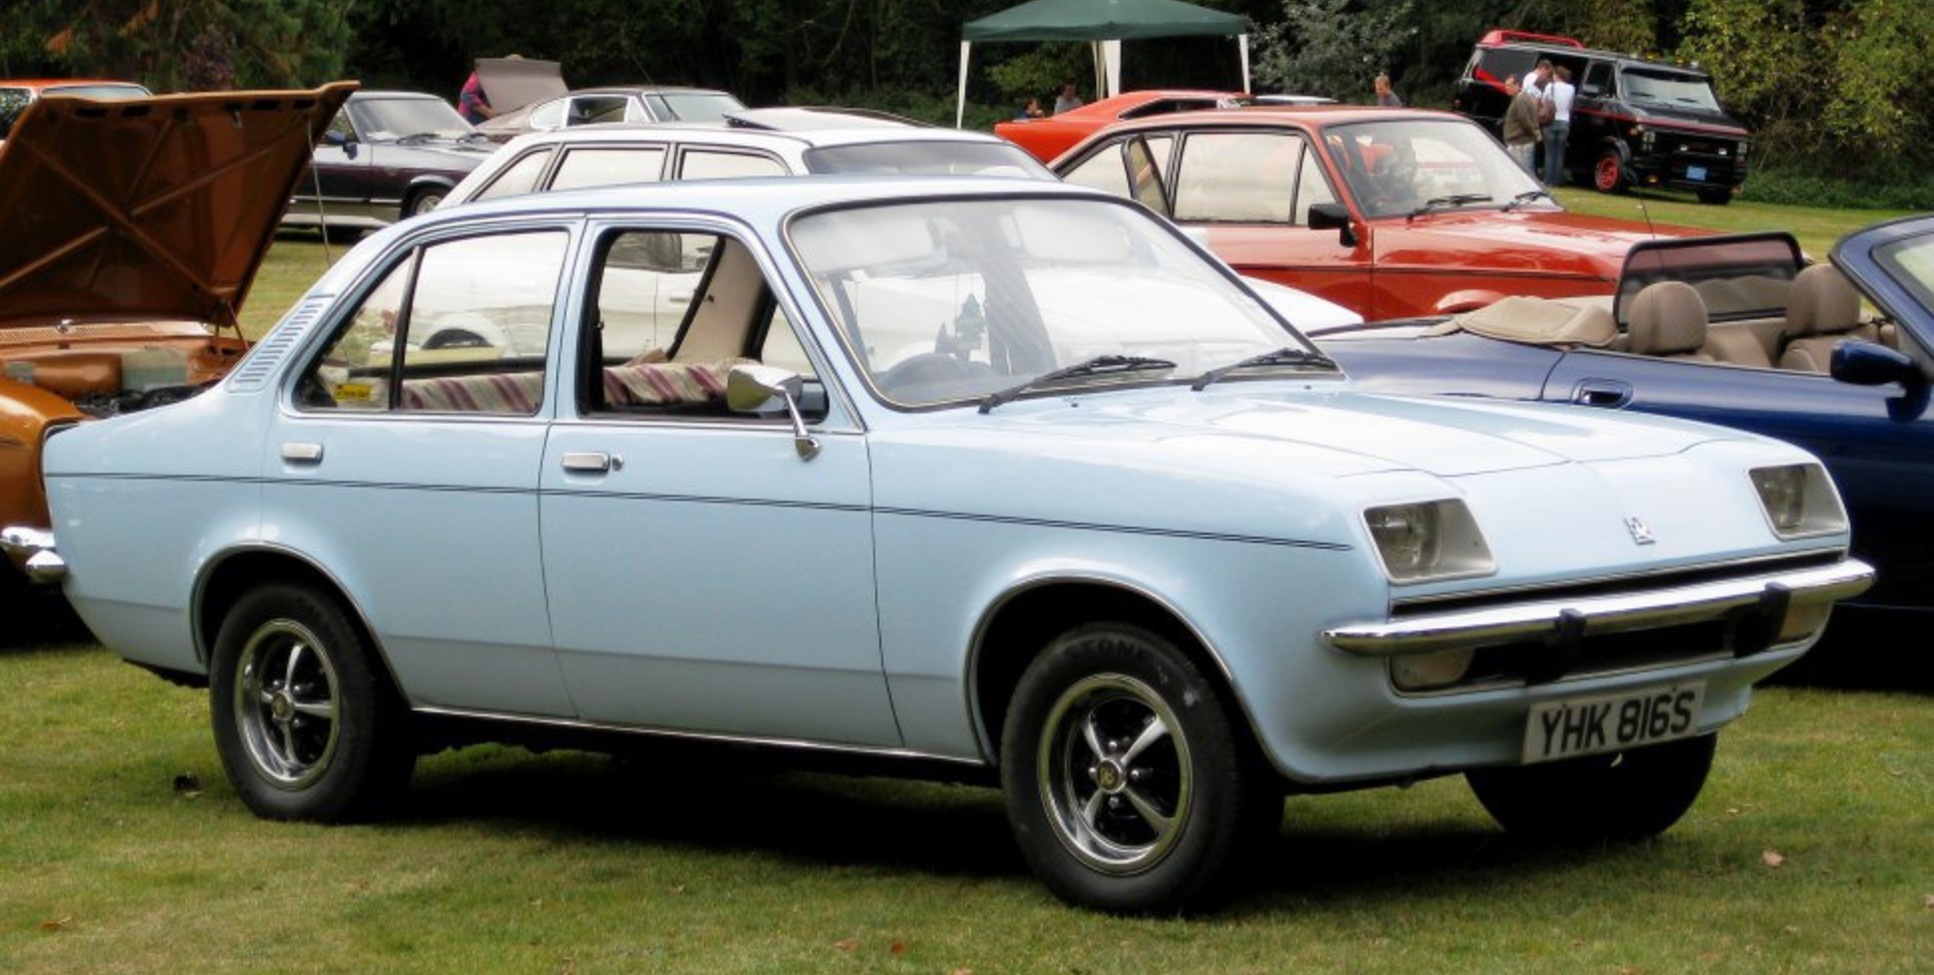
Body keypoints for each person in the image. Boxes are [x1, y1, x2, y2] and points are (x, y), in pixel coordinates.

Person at [1500, 75, 1540, 177]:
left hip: (1520, 144)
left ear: (1518, 85)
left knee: (1523, 176)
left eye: (1509, 85)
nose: (1507, 87)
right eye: (1506, 85)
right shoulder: (1521, 97)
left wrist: (1533, 134)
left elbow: (1524, 120)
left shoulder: (1520, 99)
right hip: (1519, 143)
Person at [1543, 65, 1575, 186]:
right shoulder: (1571, 88)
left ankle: (1548, 180)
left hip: (1551, 120)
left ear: (1556, 75)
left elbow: (1543, 100)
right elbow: (1570, 105)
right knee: (1560, 153)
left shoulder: (1550, 86)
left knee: (1549, 152)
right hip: (1564, 121)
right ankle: (1557, 180)